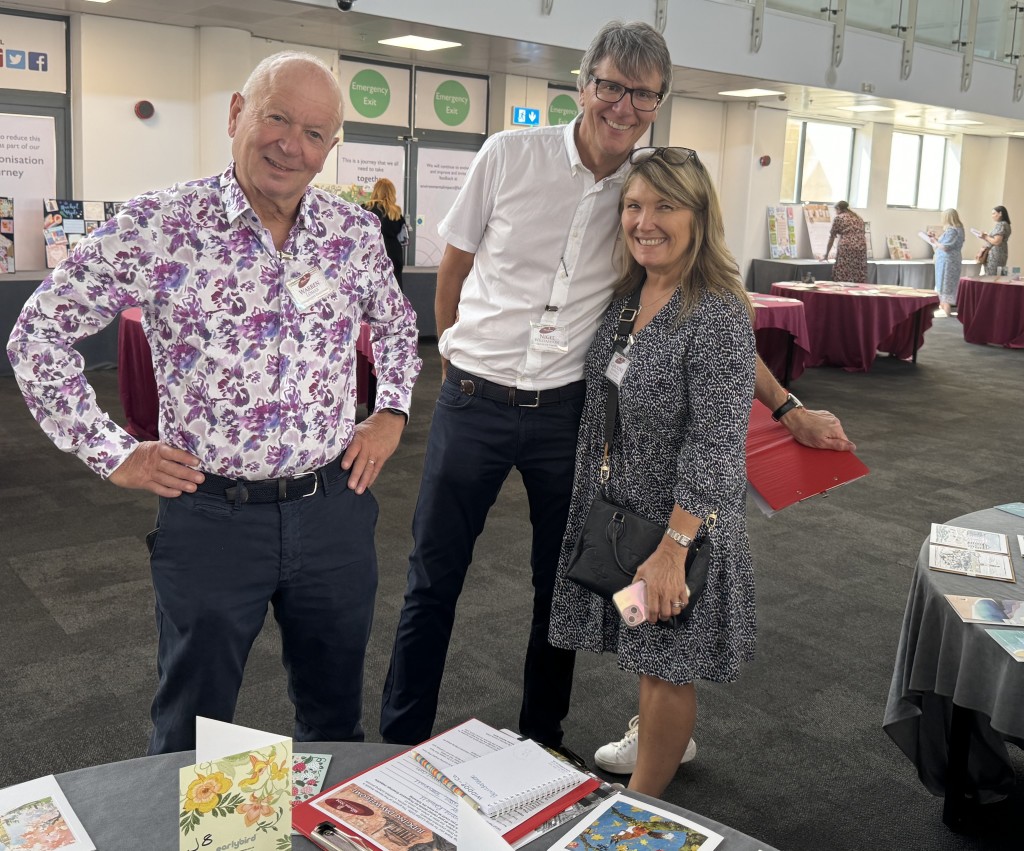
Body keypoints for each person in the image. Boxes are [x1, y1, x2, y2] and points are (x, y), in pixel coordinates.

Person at [380, 20, 853, 759]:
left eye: (642, 94)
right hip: (473, 402)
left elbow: (714, 317)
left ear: (657, 102)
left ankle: (540, 739)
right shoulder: (510, 155)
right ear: (583, 84)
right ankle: (398, 738)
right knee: (431, 579)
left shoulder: (649, 188)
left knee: (558, 586)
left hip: (566, 415)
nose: (622, 106)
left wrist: (786, 406)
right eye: (610, 86)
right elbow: (454, 269)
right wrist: (457, 363)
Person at [6, 51, 421, 755]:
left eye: (315, 132)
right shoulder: (160, 223)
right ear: (237, 113)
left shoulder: (352, 235)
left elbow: (399, 324)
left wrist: (393, 409)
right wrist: (111, 452)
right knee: (197, 730)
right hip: (211, 515)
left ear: (329, 148)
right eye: (277, 117)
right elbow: (37, 332)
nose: (292, 144)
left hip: (333, 511)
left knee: (333, 718)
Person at [549, 146, 755, 798]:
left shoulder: (715, 312)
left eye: (665, 205)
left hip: (677, 529)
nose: (646, 220)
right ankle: (662, 734)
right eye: (634, 205)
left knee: (668, 661)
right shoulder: (631, 295)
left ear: (698, 215)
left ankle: (642, 802)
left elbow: (717, 442)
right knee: (648, 643)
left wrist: (674, 546)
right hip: (629, 521)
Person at [364, 178, 408, 288]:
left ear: (375, 191)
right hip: (393, 254)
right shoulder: (396, 212)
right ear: (392, 193)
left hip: (371, 253)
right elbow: (403, 237)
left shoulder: (364, 209)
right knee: (395, 290)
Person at [822, 201, 868, 283]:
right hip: (861, 247)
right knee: (857, 270)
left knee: (844, 270)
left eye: (835, 210)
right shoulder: (858, 218)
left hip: (847, 246)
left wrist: (826, 255)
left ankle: (842, 291)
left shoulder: (839, 218)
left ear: (838, 209)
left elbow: (832, 238)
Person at [932, 208, 965, 317]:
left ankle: (946, 313)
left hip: (947, 262)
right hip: (951, 260)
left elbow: (946, 247)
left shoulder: (952, 230)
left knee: (945, 284)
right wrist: (936, 239)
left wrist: (934, 241)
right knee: (946, 284)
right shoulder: (959, 229)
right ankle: (944, 309)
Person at [979, 205, 1011, 275]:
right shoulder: (1006, 224)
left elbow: (997, 241)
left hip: (995, 254)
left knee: (992, 276)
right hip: (1002, 252)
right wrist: (986, 237)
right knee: (998, 275)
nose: (992, 216)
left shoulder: (1001, 224)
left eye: (994, 213)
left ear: (1000, 213)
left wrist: (985, 236)